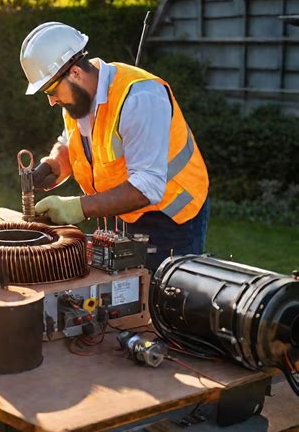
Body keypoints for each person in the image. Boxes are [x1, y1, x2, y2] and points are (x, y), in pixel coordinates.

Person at [20, 22, 209, 272]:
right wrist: (54, 164)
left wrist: (77, 207)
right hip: (124, 209)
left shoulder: (140, 98)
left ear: (75, 72)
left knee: (161, 299)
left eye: (51, 90)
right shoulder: (80, 98)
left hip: (171, 217)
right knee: (123, 294)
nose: (52, 101)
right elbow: (70, 142)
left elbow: (148, 187)